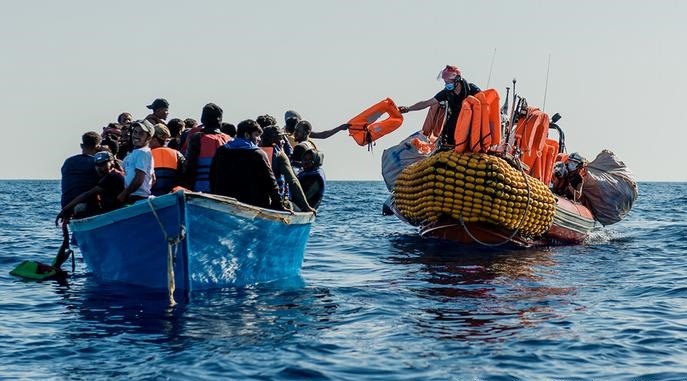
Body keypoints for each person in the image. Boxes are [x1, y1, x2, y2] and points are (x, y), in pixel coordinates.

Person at [398, 65, 481, 147]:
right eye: (445, 81)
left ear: (457, 79)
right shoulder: (446, 93)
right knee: (448, 135)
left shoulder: (472, 89)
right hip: (453, 122)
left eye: (448, 81)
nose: (446, 83)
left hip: (470, 120)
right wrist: (409, 108)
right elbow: (426, 103)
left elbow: (483, 102)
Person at [210, 119, 284, 210]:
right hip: (254, 207)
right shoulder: (258, 154)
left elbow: (212, 177)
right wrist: (279, 205)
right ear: (247, 135)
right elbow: (270, 182)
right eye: (257, 135)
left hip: (226, 206)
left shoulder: (221, 151)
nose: (259, 139)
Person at [56, 151, 125, 224]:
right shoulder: (113, 175)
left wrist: (65, 209)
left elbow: (87, 194)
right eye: (97, 165)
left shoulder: (111, 177)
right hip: (114, 209)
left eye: (102, 164)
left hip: (117, 210)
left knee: (80, 209)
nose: (99, 168)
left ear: (112, 164)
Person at [260, 126, 316, 213]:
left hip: (256, 199)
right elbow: (293, 181)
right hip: (275, 202)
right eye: (281, 138)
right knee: (299, 209)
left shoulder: (255, 151)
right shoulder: (279, 155)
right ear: (274, 140)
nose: (283, 140)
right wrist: (306, 206)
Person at [185, 103, 231, 192]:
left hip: (200, 189)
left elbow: (190, 165)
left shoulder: (197, 138)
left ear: (203, 119)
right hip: (224, 190)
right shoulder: (229, 139)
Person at [60, 132, 102, 215]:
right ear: (98, 147)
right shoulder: (96, 163)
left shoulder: (68, 162)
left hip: (66, 205)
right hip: (86, 205)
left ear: (81, 146)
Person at [117, 120, 155, 204]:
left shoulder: (143, 153)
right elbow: (153, 179)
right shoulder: (132, 155)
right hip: (134, 196)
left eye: (141, 133)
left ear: (149, 137)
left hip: (138, 197)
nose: (136, 136)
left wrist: (124, 193)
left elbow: (139, 179)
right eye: (135, 132)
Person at [150, 124, 186, 196]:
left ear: (154, 140)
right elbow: (184, 177)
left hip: (150, 199)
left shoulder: (145, 155)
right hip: (171, 198)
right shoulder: (177, 154)